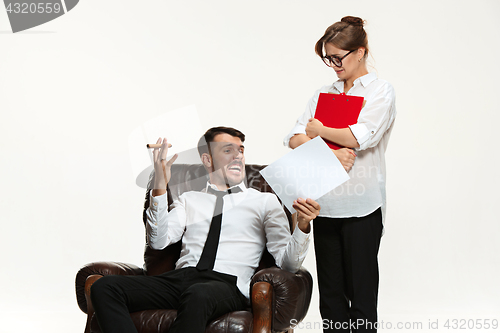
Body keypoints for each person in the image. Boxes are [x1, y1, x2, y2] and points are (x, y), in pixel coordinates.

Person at [91, 126, 321, 333]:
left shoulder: (265, 201)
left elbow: (288, 264)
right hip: (180, 279)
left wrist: (302, 226)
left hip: (226, 284)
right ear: (207, 159)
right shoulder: (188, 199)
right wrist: (160, 185)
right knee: (104, 287)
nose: (238, 156)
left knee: (199, 293)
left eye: (240, 150)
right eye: (228, 151)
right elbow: (158, 241)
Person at [283, 16, 396, 332]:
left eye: (338, 57)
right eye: (327, 58)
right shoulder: (323, 93)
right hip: (325, 205)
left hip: (362, 207)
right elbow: (293, 138)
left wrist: (318, 130)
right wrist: (329, 149)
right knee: (331, 297)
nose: (333, 65)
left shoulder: (380, 91)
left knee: (361, 295)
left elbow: (362, 137)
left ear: (360, 52)